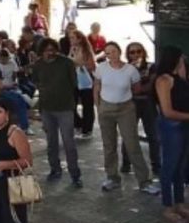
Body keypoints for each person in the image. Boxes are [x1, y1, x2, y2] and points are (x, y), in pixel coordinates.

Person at [94, 42, 158, 194]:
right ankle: (112, 178)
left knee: (132, 144)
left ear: (119, 51)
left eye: (114, 51)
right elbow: (96, 86)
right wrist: (99, 106)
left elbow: (136, 89)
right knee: (109, 145)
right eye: (108, 53)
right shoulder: (101, 68)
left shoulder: (131, 70)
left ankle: (144, 181)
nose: (111, 55)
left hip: (125, 109)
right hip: (106, 109)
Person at [30, 38, 82, 187]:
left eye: (53, 50)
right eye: (47, 50)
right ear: (42, 51)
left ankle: (75, 174)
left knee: (69, 142)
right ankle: (55, 169)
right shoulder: (38, 65)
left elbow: (74, 83)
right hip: (47, 108)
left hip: (65, 108)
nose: (50, 53)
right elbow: (36, 82)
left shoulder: (66, 63)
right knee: (51, 142)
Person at [154, 46, 189, 223]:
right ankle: (168, 206)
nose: (184, 60)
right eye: (181, 58)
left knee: (181, 167)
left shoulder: (179, 78)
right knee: (169, 167)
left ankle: (180, 203)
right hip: (172, 127)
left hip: (183, 125)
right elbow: (167, 111)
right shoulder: (164, 80)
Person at [122, 42, 160, 175]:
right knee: (128, 134)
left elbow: (149, 86)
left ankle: (156, 165)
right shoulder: (125, 68)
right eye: (132, 52)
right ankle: (126, 164)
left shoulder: (152, 66)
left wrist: (136, 86)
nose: (136, 54)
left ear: (143, 52)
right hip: (131, 104)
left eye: (139, 51)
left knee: (154, 135)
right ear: (128, 55)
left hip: (148, 103)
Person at [69, 30, 96, 139]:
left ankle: (87, 129)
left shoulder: (86, 50)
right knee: (71, 104)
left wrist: (79, 64)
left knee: (87, 105)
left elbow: (91, 66)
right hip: (74, 80)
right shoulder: (72, 49)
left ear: (79, 39)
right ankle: (79, 124)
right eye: (70, 38)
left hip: (85, 80)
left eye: (73, 38)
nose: (71, 40)